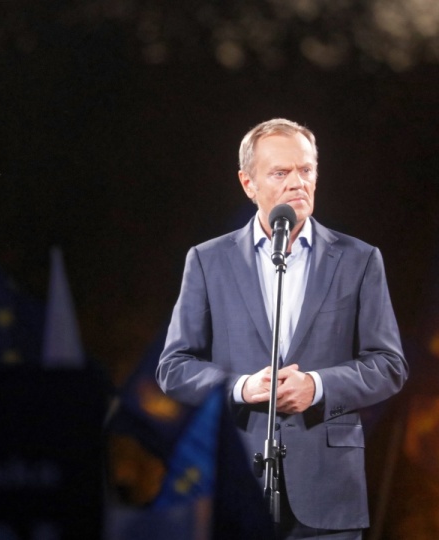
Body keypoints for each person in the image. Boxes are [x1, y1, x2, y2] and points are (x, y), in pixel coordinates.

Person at [156, 118, 408, 540]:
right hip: (235, 487)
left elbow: (389, 365)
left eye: (306, 170)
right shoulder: (207, 261)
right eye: (280, 173)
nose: (298, 183)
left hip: (329, 496)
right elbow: (173, 368)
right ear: (248, 183)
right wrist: (240, 387)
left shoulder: (359, 260)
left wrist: (317, 385)